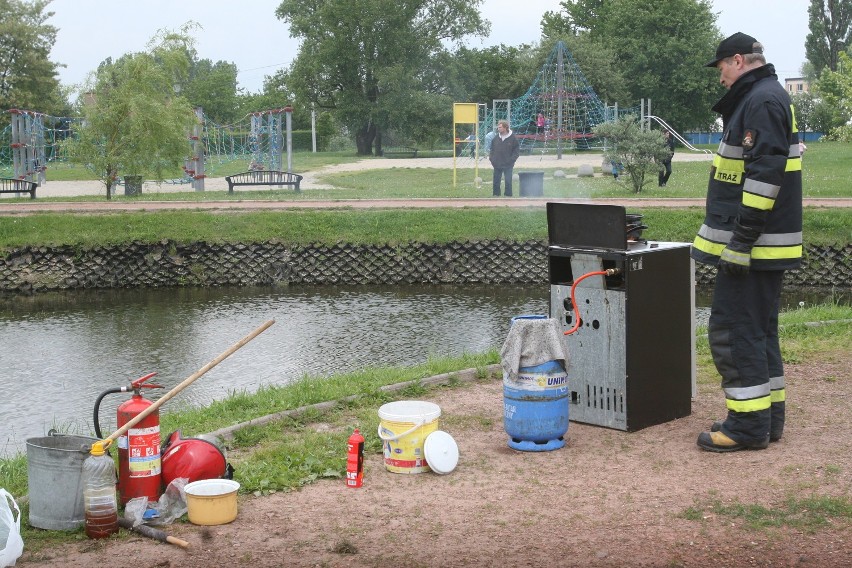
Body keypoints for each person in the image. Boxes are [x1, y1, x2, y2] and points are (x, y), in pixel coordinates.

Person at [692, 32, 803, 452]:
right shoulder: (766, 97)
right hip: (763, 245)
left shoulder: (760, 102)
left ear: (738, 60)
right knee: (758, 333)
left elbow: (762, 181)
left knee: (734, 332)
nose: (720, 78)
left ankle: (747, 426)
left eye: (721, 68)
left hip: (753, 247)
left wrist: (739, 242)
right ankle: (767, 420)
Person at [489, 119, 520, 197]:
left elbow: (516, 151)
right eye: (498, 127)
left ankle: (508, 196)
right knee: (496, 181)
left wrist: (511, 160)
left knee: (508, 181)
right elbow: (492, 150)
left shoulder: (513, 138)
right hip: (497, 163)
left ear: (505, 127)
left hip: (508, 164)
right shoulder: (495, 138)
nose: (498, 129)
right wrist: (492, 159)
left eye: (500, 127)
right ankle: (496, 195)